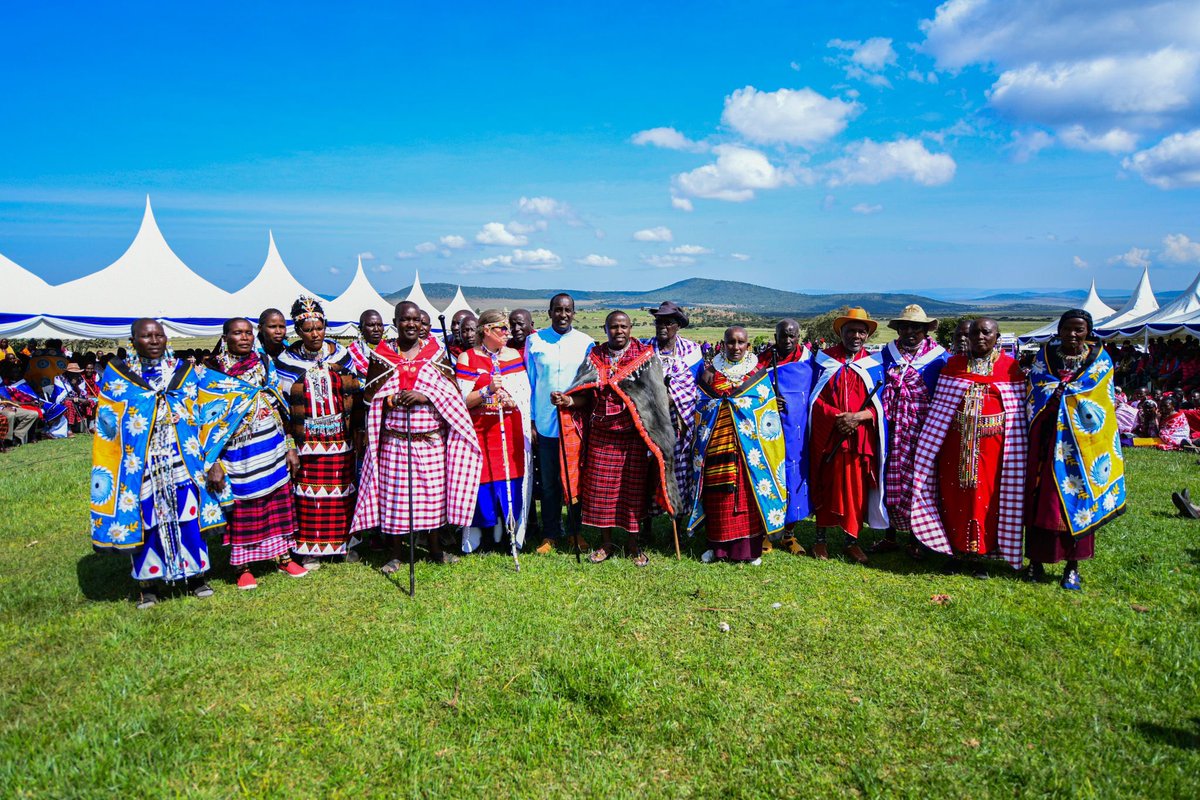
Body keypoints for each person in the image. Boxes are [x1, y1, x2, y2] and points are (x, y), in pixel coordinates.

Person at [90, 319, 255, 608]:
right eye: (146, 336)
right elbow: (107, 423)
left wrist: (257, 390)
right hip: (140, 463)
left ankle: (196, 577)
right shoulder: (118, 378)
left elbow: (214, 397)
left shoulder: (185, 373)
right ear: (133, 341)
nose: (153, 341)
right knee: (147, 519)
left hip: (183, 459)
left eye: (159, 336)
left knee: (188, 516)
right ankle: (148, 584)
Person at [352, 301, 482, 568]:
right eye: (404, 320)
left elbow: (453, 395)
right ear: (396, 321)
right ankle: (395, 554)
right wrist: (391, 399)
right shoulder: (383, 355)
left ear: (422, 324)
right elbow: (369, 398)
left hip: (430, 440)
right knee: (395, 497)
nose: (410, 324)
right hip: (395, 440)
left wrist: (425, 395)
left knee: (433, 497)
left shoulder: (435, 354)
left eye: (415, 320)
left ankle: (436, 550)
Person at [554, 311, 678, 566]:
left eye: (623, 326)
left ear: (630, 329)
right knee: (602, 491)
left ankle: (633, 545)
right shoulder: (595, 357)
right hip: (601, 434)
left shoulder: (644, 358)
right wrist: (567, 400)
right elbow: (584, 395)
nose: (618, 331)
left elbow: (655, 398)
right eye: (613, 327)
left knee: (632, 493)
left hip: (633, 436)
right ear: (606, 328)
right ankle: (606, 544)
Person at [909, 318, 1029, 576]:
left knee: (986, 498)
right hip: (954, 443)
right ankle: (954, 551)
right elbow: (941, 408)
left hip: (994, 449)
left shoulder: (1010, 368)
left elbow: (1018, 411)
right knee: (953, 496)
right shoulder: (953, 366)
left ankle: (978, 554)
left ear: (997, 337)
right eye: (975, 333)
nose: (980, 338)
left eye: (986, 333)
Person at [1025, 310, 1125, 590]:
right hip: (1046, 444)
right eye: (1067, 328)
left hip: (1082, 448)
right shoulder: (1045, 356)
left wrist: (1068, 395)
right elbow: (1036, 387)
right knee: (1039, 502)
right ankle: (1035, 561)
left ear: (1088, 332)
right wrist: (1053, 393)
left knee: (1079, 501)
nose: (1072, 334)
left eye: (1079, 329)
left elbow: (1102, 400)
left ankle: (1072, 566)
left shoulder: (1100, 360)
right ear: (1059, 330)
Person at [206, 317, 308, 589]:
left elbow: (279, 404)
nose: (244, 337)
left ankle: (283, 556)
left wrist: (289, 447)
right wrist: (213, 462)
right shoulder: (212, 371)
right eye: (237, 333)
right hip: (236, 452)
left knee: (277, 502)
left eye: (248, 333)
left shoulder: (264, 363)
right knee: (245, 506)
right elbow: (205, 420)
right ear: (225, 336)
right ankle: (243, 567)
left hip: (271, 445)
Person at [273, 296, 360, 569]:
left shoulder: (341, 355)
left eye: (319, 327)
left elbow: (355, 394)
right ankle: (309, 549)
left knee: (342, 491)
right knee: (309, 494)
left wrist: (358, 429)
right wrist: (289, 443)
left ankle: (342, 545)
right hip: (306, 439)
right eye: (308, 329)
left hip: (340, 437)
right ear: (297, 332)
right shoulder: (286, 361)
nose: (315, 334)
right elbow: (282, 406)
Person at [689, 325, 788, 564]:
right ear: (722, 344)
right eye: (730, 342)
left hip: (750, 450)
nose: (735, 347)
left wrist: (740, 404)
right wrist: (721, 404)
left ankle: (749, 551)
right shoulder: (709, 372)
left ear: (748, 345)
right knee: (718, 497)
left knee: (747, 497)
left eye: (740, 342)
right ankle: (717, 548)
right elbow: (701, 403)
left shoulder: (758, 372)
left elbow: (765, 407)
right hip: (716, 443)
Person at [808, 308, 887, 564]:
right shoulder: (824, 360)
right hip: (828, 437)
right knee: (825, 484)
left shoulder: (874, 364)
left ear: (867, 335)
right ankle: (820, 539)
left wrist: (860, 417)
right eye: (850, 330)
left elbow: (882, 405)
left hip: (858, 440)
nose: (856, 335)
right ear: (840, 333)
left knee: (856, 489)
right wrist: (837, 417)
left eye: (861, 331)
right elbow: (813, 399)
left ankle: (851, 540)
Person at [455, 309, 532, 553]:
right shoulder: (467, 358)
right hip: (480, 433)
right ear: (486, 330)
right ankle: (485, 537)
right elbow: (463, 401)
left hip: (510, 433)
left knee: (510, 482)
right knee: (483, 484)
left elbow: (523, 394)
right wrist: (487, 390)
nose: (508, 333)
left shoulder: (514, 357)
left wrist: (512, 401)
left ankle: (508, 535)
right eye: (502, 328)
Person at [874, 305, 948, 555]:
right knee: (889, 478)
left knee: (921, 482)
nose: (910, 332)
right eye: (905, 327)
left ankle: (918, 538)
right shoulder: (887, 354)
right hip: (892, 428)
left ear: (926, 330)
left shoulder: (939, 358)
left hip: (924, 430)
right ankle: (890, 535)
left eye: (916, 327)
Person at [525, 293, 594, 553]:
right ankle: (551, 534)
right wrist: (531, 421)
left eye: (567, 310)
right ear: (550, 312)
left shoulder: (585, 343)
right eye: (557, 310)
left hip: (574, 424)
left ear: (574, 313)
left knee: (574, 480)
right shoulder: (535, 341)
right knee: (551, 482)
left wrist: (571, 401)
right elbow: (530, 384)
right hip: (544, 423)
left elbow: (589, 385)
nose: (562, 315)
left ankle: (576, 532)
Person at [755, 317, 812, 555]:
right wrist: (768, 400)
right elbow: (750, 392)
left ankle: (789, 534)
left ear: (799, 336)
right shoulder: (763, 361)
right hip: (768, 430)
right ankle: (767, 532)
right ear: (775, 336)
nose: (787, 340)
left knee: (794, 478)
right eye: (783, 336)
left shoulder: (809, 361)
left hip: (798, 431)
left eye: (792, 336)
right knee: (768, 475)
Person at [647, 301, 703, 523]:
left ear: (678, 325)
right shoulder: (645, 350)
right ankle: (646, 526)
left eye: (668, 322)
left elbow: (693, 389)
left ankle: (676, 524)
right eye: (658, 321)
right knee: (650, 473)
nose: (662, 326)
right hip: (649, 422)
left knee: (679, 473)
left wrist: (672, 398)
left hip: (680, 425)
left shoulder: (692, 352)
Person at [59, 362, 99, 433]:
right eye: (72, 373)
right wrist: (76, 399)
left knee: (92, 402)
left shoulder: (80, 379)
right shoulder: (60, 379)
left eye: (76, 373)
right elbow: (61, 397)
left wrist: (76, 386)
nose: (75, 375)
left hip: (78, 400)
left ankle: (91, 426)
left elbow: (83, 393)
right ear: (68, 372)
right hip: (63, 402)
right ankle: (69, 429)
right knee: (69, 403)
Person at [348, 309, 386, 378]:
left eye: (380, 325)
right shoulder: (350, 354)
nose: (376, 329)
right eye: (371, 325)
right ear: (361, 329)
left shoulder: (392, 351)